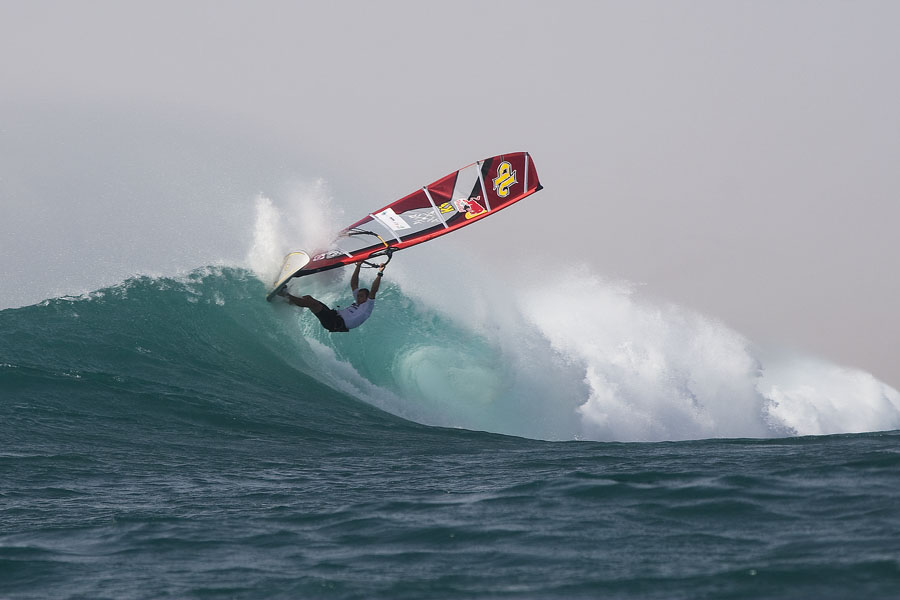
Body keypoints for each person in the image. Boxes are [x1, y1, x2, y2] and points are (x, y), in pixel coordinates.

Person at [281, 261, 385, 332]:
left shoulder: (368, 306)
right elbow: (354, 284)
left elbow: (374, 290)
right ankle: (287, 300)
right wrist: (358, 266)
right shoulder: (358, 302)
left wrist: (379, 273)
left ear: (367, 298)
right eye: (358, 296)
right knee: (308, 298)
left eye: (361, 296)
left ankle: (285, 294)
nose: (358, 298)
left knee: (312, 304)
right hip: (333, 315)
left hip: (336, 323)